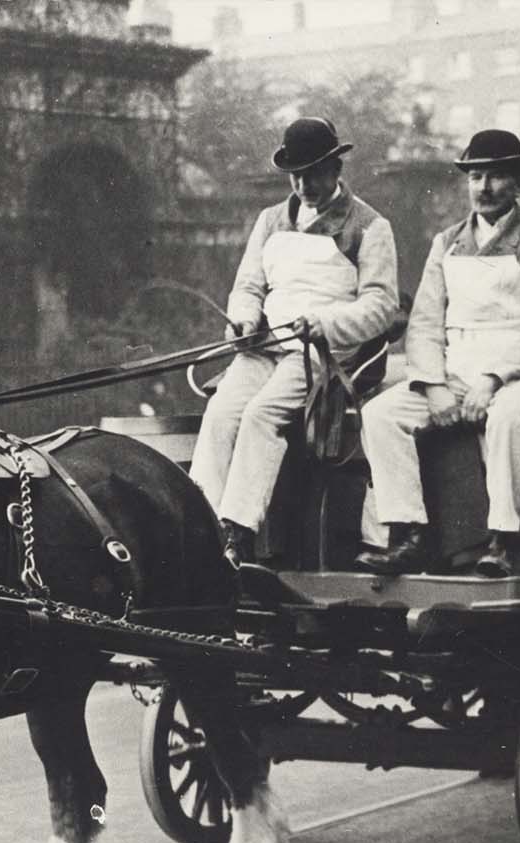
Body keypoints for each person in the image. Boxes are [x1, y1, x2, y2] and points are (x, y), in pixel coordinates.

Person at [355, 128, 520, 577]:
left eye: (495, 177)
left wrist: (493, 380)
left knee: (509, 417)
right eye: (475, 177)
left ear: (518, 185)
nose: (484, 188)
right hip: (456, 370)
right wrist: (433, 385)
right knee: (381, 416)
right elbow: (425, 324)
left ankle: (499, 541)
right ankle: (407, 533)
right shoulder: (447, 243)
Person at [188, 116, 400, 567]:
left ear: (336, 169)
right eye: (296, 174)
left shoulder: (369, 226)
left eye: (315, 173)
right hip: (266, 345)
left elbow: (381, 306)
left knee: (262, 415)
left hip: (321, 353)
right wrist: (243, 323)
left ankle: (238, 532)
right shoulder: (270, 221)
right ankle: (202, 523)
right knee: (222, 413)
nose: (304, 184)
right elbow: (248, 287)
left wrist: (324, 323)